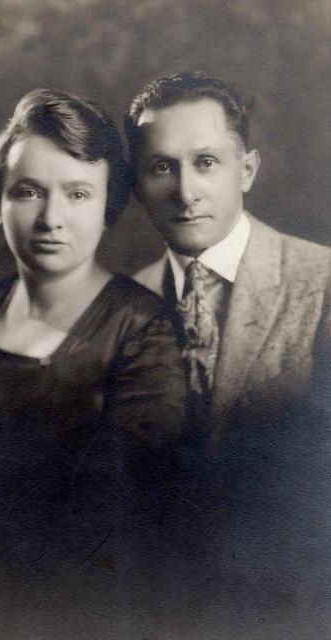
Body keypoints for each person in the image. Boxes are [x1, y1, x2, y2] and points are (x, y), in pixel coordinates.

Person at [0, 89, 187, 631]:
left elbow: (128, 520)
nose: (51, 218)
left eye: (78, 194)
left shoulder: (142, 329)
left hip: (75, 612)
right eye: (28, 192)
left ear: (108, 207)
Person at [124, 72, 331, 637]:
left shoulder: (322, 282)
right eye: (162, 167)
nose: (185, 191)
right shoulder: (123, 305)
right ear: (138, 183)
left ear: (247, 170)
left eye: (207, 162)